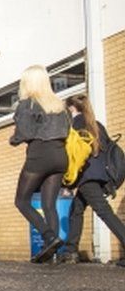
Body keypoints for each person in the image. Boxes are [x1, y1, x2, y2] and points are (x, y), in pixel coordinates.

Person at [10, 65, 69, 264]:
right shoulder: (58, 104)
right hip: (60, 155)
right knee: (49, 204)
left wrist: (14, 139)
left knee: (22, 201)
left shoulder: (28, 104)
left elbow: (24, 133)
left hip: (39, 155)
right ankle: (50, 252)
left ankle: (48, 237)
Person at [61, 94, 125, 267]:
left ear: (72, 109)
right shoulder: (97, 125)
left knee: (104, 212)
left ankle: (70, 252)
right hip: (99, 176)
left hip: (87, 177)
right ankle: (70, 251)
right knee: (76, 210)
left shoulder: (75, 125)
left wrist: (68, 181)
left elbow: (74, 154)